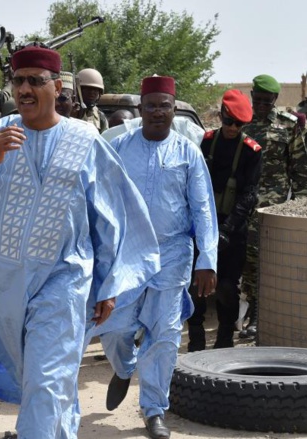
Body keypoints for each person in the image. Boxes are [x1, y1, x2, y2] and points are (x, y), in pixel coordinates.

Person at [0, 45, 160, 439]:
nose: (24, 88)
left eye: (35, 80)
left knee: (46, 378)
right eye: (18, 80)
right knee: (44, 379)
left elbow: (116, 216)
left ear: (57, 86)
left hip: (64, 278)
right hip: (4, 281)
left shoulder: (85, 140)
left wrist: (110, 284)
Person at [101, 76, 217, 439]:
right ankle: (124, 366)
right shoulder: (119, 148)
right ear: (140, 109)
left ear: (173, 109)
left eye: (164, 105)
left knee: (165, 333)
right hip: (128, 252)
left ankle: (154, 411)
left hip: (173, 253)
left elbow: (203, 208)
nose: (156, 112)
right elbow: (103, 202)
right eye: (150, 105)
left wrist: (207, 259)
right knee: (115, 327)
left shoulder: (188, 153)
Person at [188, 90, 262, 351]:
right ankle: (195, 338)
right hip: (203, 225)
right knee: (196, 284)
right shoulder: (207, 142)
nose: (232, 128)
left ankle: (224, 339)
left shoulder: (252, 152)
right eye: (228, 121)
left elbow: (249, 195)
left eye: (238, 124)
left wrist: (227, 230)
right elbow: (195, 182)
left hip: (233, 228)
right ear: (221, 116)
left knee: (228, 287)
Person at [238, 74, 307, 339]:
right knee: (246, 258)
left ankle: (258, 314)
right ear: (252, 97)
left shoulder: (287, 125)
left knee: (264, 257)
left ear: (276, 100)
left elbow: (300, 168)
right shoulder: (242, 122)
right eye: (258, 100)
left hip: (274, 205)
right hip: (244, 203)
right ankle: (251, 310)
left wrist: (299, 206)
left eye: (267, 101)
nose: (262, 105)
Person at [77, 68, 108, 132]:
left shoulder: (100, 116)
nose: (92, 93)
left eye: (95, 90)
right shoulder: (70, 112)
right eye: (88, 89)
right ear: (79, 90)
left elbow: (105, 137)